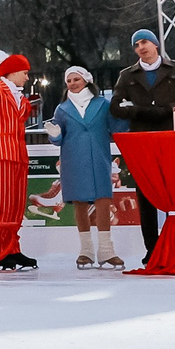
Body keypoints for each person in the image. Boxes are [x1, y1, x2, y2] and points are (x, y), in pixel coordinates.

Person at [108, 29, 175, 258]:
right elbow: (115, 106)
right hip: (141, 140)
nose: (141, 47)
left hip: (170, 137)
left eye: (145, 42)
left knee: (174, 192)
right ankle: (152, 248)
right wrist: (137, 111)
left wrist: (164, 110)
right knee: (145, 194)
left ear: (156, 45)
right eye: (137, 44)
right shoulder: (127, 75)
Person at [49, 64, 120, 269]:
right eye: (69, 81)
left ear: (86, 80)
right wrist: (54, 134)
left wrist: (125, 114)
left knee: (103, 200)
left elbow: (116, 128)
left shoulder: (103, 104)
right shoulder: (62, 109)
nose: (72, 84)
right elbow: (58, 137)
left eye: (76, 79)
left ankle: (107, 250)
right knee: (80, 202)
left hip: (98, 156)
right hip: (73, 158)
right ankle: (86, 250)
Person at [0, 52, 36, 270]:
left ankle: (12, 246)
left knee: (17, 204)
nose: (27, 78)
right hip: (1, 154)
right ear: (12, 72)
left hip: (18, 154)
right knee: (4, 203)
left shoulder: (19, 97)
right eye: (24, 73)